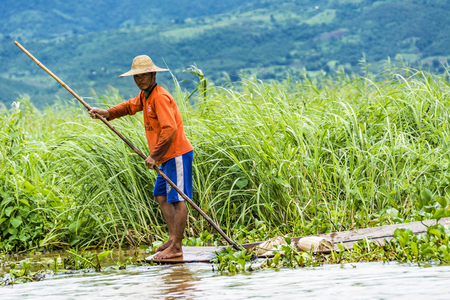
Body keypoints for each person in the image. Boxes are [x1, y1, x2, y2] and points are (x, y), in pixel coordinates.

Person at [89, 55, 193, 259]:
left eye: (143, 75)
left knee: (178, 199)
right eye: (136, 76)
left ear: (153, 74)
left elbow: (170, 129)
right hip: (165, 158)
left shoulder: (159, 97)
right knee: (161, 196)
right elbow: (129, 107)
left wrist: (154, 156)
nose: (139, 79)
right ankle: (172, 239)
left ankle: (177, 247)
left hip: (176, 154)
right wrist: (107, 113)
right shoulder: (146, 95)